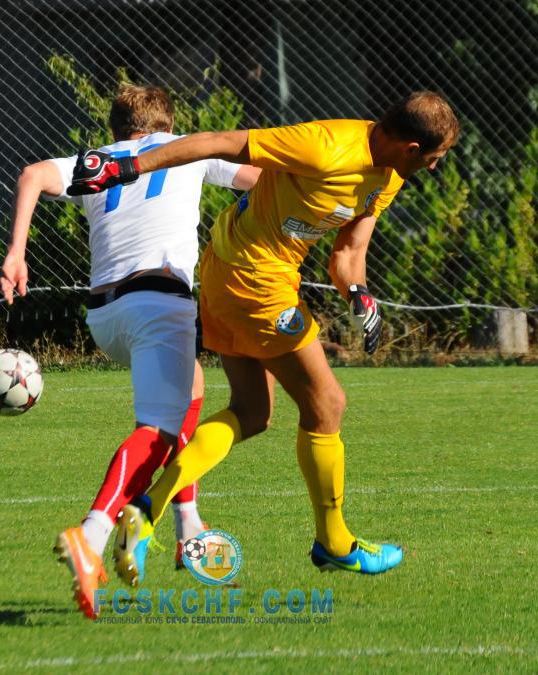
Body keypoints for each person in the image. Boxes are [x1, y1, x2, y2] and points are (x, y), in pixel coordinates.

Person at [68, 90, 460, 584]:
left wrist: (358, 293)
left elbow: (348, 254)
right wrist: (129, 166)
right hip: (255, 284)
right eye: (435, 157)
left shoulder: (389, 176)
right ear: (411, 147)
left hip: (232, 275)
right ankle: (334, 543)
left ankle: (145, 512)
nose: (435, 167)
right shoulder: (324, 145)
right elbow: (216, 141)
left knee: (253, 412)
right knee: (328, 404)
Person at [0, 84, 260, 617]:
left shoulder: (97, 161)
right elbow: (262, 181)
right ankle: (93, 534)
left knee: (191, 387)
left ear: (116, 129)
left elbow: (31, 175)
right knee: (156, 433)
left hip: (105, 316)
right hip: (159, 304)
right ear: (169, 127)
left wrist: (16, 252)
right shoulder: (189, 149)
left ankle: (188, 524)